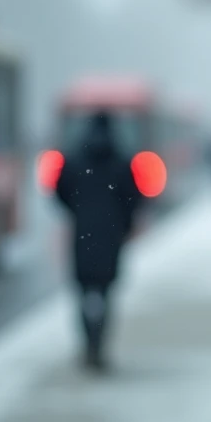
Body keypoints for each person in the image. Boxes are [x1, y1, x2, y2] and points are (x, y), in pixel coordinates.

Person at [54, 114, 140, 371]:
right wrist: (124, 225)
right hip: (111, 236)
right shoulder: (122, 161)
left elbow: (60, 191)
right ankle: (99, 346)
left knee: (82, 292)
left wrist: (77, 212)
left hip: (83, 234)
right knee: (106, 293)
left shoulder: (74, 160)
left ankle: (87, 344)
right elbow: (133, 198)